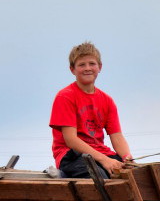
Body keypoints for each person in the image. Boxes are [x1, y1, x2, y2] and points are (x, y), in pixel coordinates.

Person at [49, 41, 132, 178]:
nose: (87, 68)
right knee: (100, 177)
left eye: (92, 64)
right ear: (72, 69)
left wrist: (127, 158)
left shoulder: (107, 100)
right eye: (82, 65)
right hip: (72, 156)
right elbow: (71, 140)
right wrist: (104, 160)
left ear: (100, 67)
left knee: (133, 174)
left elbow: (116, 136)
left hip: (101, 154)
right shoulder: (65, 96)